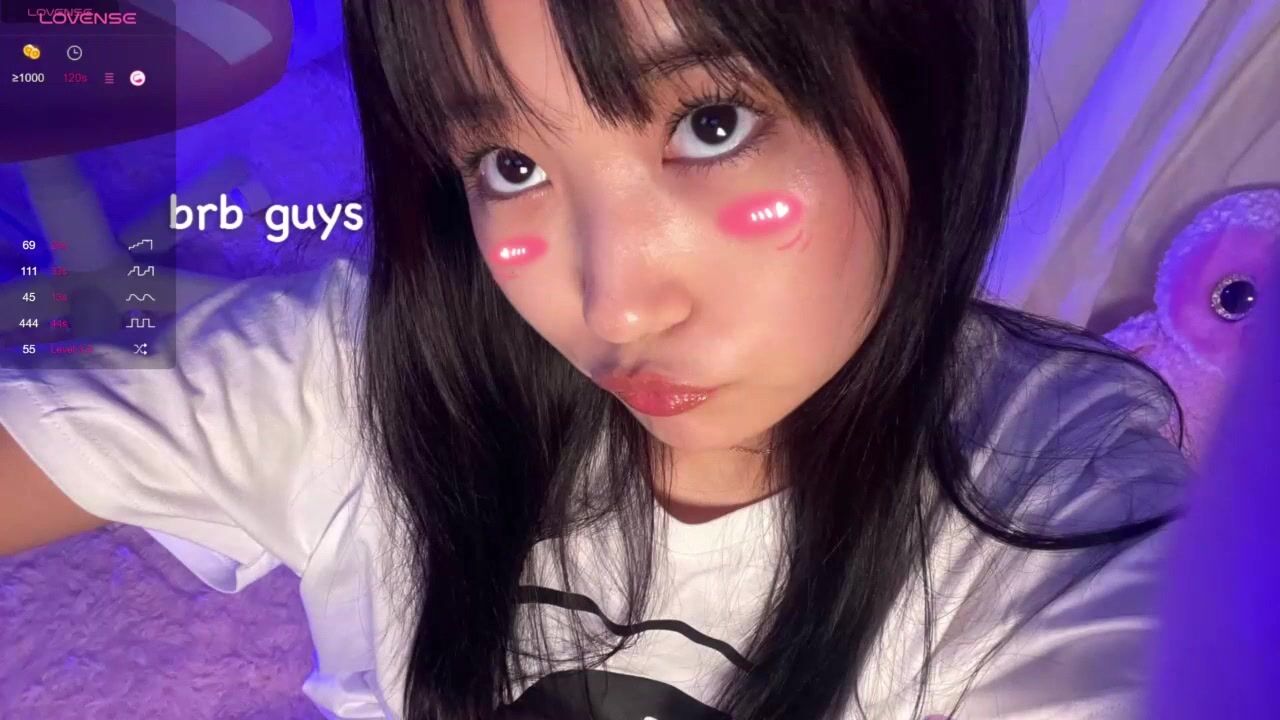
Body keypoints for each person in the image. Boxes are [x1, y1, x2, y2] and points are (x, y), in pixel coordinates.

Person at [0, 2, 1193, 719]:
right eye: (509, 164)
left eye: (710, 124)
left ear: (926, 84)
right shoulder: (366, 373)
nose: (609, 305)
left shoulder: (1056, 513)